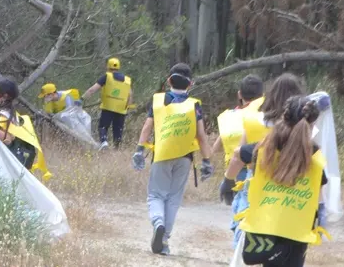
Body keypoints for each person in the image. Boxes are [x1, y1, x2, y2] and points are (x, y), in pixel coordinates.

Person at [223, 96, 329, 266]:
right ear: (312, 124)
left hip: (264, 224)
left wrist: (228, 180)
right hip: (297, 229)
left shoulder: (265, 149)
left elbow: (238, 153)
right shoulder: (314, 157)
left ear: (284, 116)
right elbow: (318, 192)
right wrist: (322, 213)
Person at [132, 63, 214, 256]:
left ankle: (158, 222)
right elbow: (201, 135)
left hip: (161, 155)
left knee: (155, 195)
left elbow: (147, 127)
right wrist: (207, 160)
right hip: (185, 158)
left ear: (168, 80)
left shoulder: (158, 101)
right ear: (190, 84)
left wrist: (138, 150)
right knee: (173, 199)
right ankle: (165, 239)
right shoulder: (194, 105)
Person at [228, 73, 307, 245]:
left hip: (257, 182)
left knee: (246, 223)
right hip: (293, 186)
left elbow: (240, 153)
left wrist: (228, 180)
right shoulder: (305, 127)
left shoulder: (255, 120)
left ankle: (242, 251)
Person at [0, 77, 52, 179]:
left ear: (4, 97)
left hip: (1, 161)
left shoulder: (5, 114)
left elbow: (8, 139)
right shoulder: (7, 111)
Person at [212, 75, 264, 172]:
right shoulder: (265, 116)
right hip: (256, 169)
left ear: (239, 94)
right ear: (262, 96)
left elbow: (216, 148)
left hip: (233, 169)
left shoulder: (229, 116)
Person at [83, 57, 134, 149]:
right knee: (118, 130)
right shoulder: (127, 80)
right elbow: (130, 95)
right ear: (118, 67)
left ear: (108, 67)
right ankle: (116, 149)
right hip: (121, 110)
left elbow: (92, 90)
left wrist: (82, 99)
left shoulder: (106, 77)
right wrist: (127, 107)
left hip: (108, 107)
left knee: (103, 127)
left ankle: (104, 142)